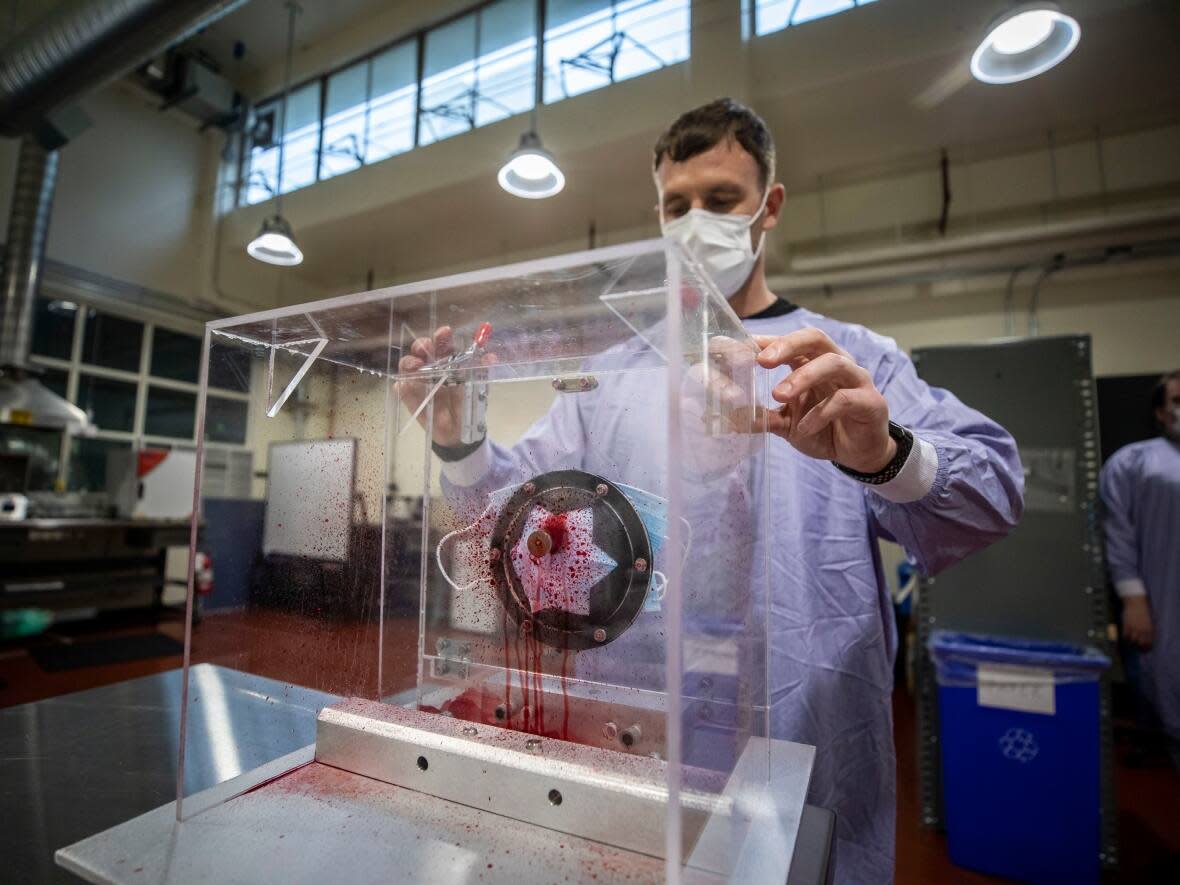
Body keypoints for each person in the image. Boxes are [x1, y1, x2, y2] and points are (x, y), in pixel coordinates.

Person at [400, 99, 1024, 883]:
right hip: (633, 739)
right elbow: (510, 521)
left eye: (722, 200)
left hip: (805, 745)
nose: (695, 223)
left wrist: (888, 454)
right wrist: (459, 443)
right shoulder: (612, 375)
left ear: (770, 207)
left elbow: (995, 487)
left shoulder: (845, 361)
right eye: (676, 204)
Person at [1100, 369, 1180, 770]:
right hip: (1163, 602)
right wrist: (1133, 600)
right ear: (1161, 412)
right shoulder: (1136, 463)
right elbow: (1119, 534)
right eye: (1177, 401)